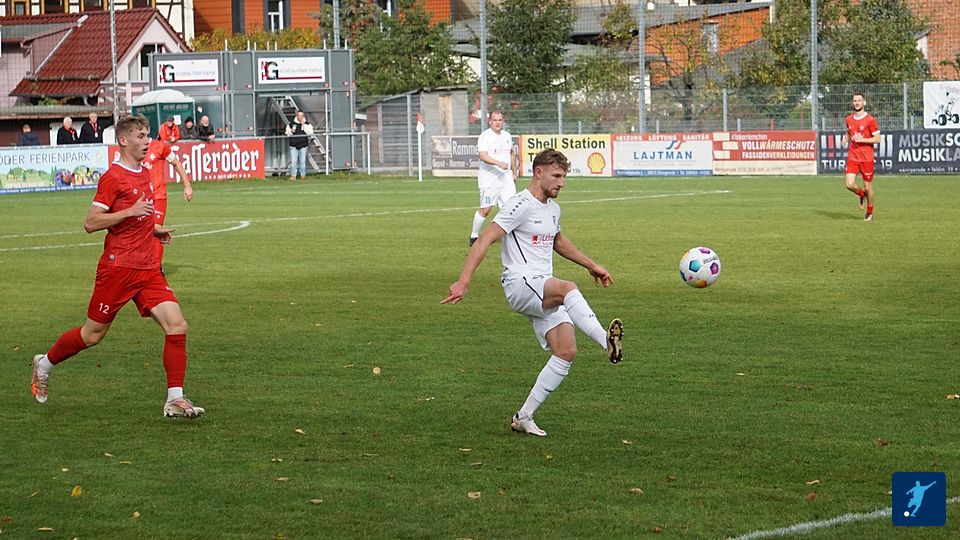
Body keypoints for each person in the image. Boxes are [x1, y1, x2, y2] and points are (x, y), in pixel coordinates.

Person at [30, 114, 204, 418]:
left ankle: (175, 399)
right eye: (140, 136)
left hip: (147, 268)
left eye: (148, 135)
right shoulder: (113, 177)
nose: (147, 141)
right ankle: (44, 364)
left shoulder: (145, 172)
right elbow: (90, 222)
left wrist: (154, 230)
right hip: (118, 269)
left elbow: (138, 217)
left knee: (177, 325)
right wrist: (129, 212)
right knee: (92, 335)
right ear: (123, 140)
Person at [442, 148, 623, 437]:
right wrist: (464, 280)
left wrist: (591, 265)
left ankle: (523, 416)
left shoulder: (553, 209)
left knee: (566, 351)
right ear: (539, 173)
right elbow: (484, 240)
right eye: (556, 176)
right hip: (519, 282)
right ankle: (606, 341)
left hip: (541, 286)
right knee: (568, 288)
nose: (561, 182)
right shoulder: (518, 204)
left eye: (564, 177)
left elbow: (557, 241)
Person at [469, 111, 518, 246]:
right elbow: (482, 156)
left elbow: (512, 154)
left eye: (500, 120)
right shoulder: (485, 136)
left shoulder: (507, 136)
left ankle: (509, 236)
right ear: (490, 121)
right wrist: (498, 163)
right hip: (489, 178)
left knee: (511, 208)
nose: (497, 123)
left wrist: (514, 172)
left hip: (506, 178)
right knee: (486, 209)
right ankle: (474, 236)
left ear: (503, 121)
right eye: (495, 120)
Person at [143, 137, 194, 266]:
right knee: (142, 235)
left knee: (156, 231)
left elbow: (176, 163)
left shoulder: (160, 147)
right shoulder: (133, 147)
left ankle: (156, 269)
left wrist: (187, 186)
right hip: (140, 198)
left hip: (158, 196)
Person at [841, 92, 881, 221]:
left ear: (864, 102)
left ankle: (869, 212)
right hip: (853, 156)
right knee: (849, 184)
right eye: (855, 101)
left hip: (866, 158)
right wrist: (845, 139)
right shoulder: (849, 119)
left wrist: (862, 140)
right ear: (852, 103)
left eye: (859, 100)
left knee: (868, 187)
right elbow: (849, 132)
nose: (857, 103)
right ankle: (861, 194)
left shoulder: (870, 120)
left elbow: (878, 139)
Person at [285, 110, 313, 180]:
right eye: (299, 115)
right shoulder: (291, 124)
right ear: (296, 116)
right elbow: (287, 133)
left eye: (301, 115)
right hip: (293, 146)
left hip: (303, 145)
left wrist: (303, 125)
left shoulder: (307, 124)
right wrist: (291, 131)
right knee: (293, 161)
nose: (300, 117)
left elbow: (310, 133)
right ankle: (293, 175)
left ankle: (303, 175)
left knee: (302, 161)